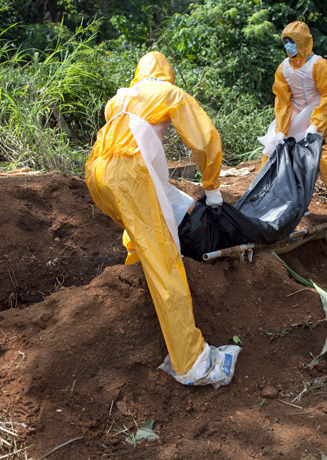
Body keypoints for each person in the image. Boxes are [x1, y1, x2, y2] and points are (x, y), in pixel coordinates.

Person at [85, 51, 239, 387]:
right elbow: (206, 140)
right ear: (166, 75)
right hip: (130, 175)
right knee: (166, 260)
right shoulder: (168, 93)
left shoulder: (120, 98)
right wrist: (211, 187)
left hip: (98, 173)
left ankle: (134, 273)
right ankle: (192, 363)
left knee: (139, 233)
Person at [258, 21, 327, 239]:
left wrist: (316, 126)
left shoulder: (320, 66)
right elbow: (282, 101)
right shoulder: (283, 68)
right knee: (272, 153)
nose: (289, 45)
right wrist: (281, 130)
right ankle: (262, 207)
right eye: (285, 41)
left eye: (292, 41)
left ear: (303, 42)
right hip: (299, 117)